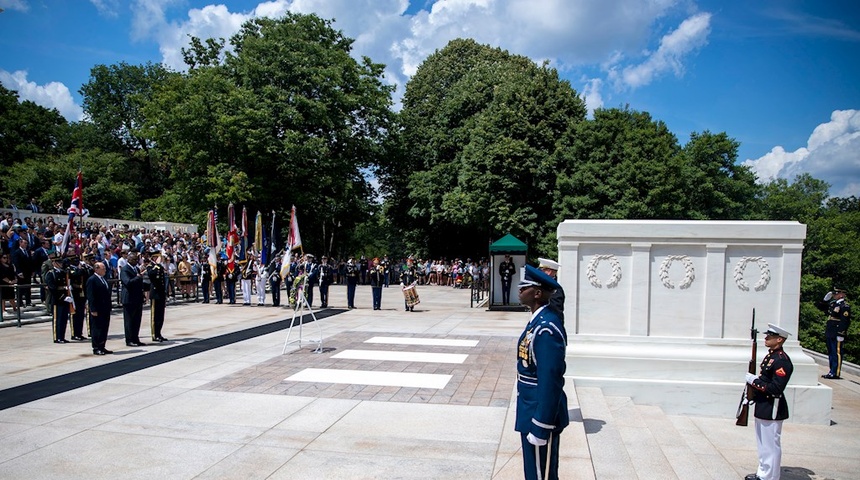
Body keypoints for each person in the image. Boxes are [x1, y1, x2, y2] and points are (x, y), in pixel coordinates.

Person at [515, 264, 568, 480]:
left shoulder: (546, 328)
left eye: (525, 287)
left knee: (540, 474)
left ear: (537, 293)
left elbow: (551, 379)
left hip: (539, 412)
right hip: (530, 406)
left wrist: (541, 424)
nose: (520, 290)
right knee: (533, 471)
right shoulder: (537, 321)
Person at [744, 323, 794, 480]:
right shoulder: (772, 356)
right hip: (764, 404)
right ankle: (763, 472)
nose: (766, 338)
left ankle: (770, 477)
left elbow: (776, 388)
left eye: (770, 337)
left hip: (773, 406)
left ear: (779, 339)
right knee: (763, 443)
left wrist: (754, 382)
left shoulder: (782, 361)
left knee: (771, 445)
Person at [816, 287, 851, 379]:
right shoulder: (833, 304)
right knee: (831, 352)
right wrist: (824, 300)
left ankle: (836, 373)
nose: (834, 295)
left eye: (837, 293)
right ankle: (831, 371)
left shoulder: (845, 306)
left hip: (837, 331)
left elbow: (845, 321)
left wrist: (841, 333)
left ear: (842, 294)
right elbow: (821, 308)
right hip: (830, 331)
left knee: (837, 353)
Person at [86, 262, 113, 355]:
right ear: (96, 269)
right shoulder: (92, 280)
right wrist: (93, 309)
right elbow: (91, 296)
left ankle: (102, 346)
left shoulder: (103, 279)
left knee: (104, 328)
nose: (105, 270)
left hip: (105, 308)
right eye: (103, 268)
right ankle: (96, 347)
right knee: (97, 328)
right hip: (97, 308)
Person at [120, 252, 146, 346]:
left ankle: (135, 338)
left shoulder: (137, 269)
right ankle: (129, 339)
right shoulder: (125, 269)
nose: (136, 261)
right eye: (134, 260)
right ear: (129, 260)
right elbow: (128, 282)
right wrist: (138, 277)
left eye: (137, 259)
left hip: (137, 298)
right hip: (129, 298)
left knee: (137, 320)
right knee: (129, 320)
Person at [45, 256, 73, 343]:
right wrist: (63, 297)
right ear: (54, 263)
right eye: (59, 262)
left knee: (64, 319)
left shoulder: (63, 272)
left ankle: (62, 336)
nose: (61, 264)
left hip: (65, 299)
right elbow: (53, 288)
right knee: (58, 319)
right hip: (57, 300)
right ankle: (57, 337)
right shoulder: (51, 273)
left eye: (61, 262)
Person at [147, 250, 169, 342]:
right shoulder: (151, 266)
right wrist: (156, 266)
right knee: (155, 316)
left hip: (161, 293)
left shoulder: (159, 267)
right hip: (155, 294)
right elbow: (151, 275)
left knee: (160, 315)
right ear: (154, 258)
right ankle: (154, 334)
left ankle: (159, 333)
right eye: (157, 257)